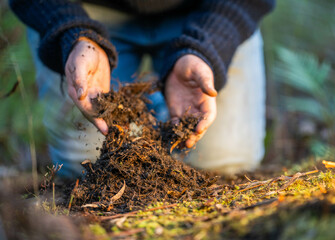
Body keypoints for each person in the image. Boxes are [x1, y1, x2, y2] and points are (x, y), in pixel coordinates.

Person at [10, 0, 275, 178]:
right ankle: (149, 118)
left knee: (225, 164)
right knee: (86, 167)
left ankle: (154, 120)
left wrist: (208, 48)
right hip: (83, 9)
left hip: (208, 10)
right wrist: (72, 34)